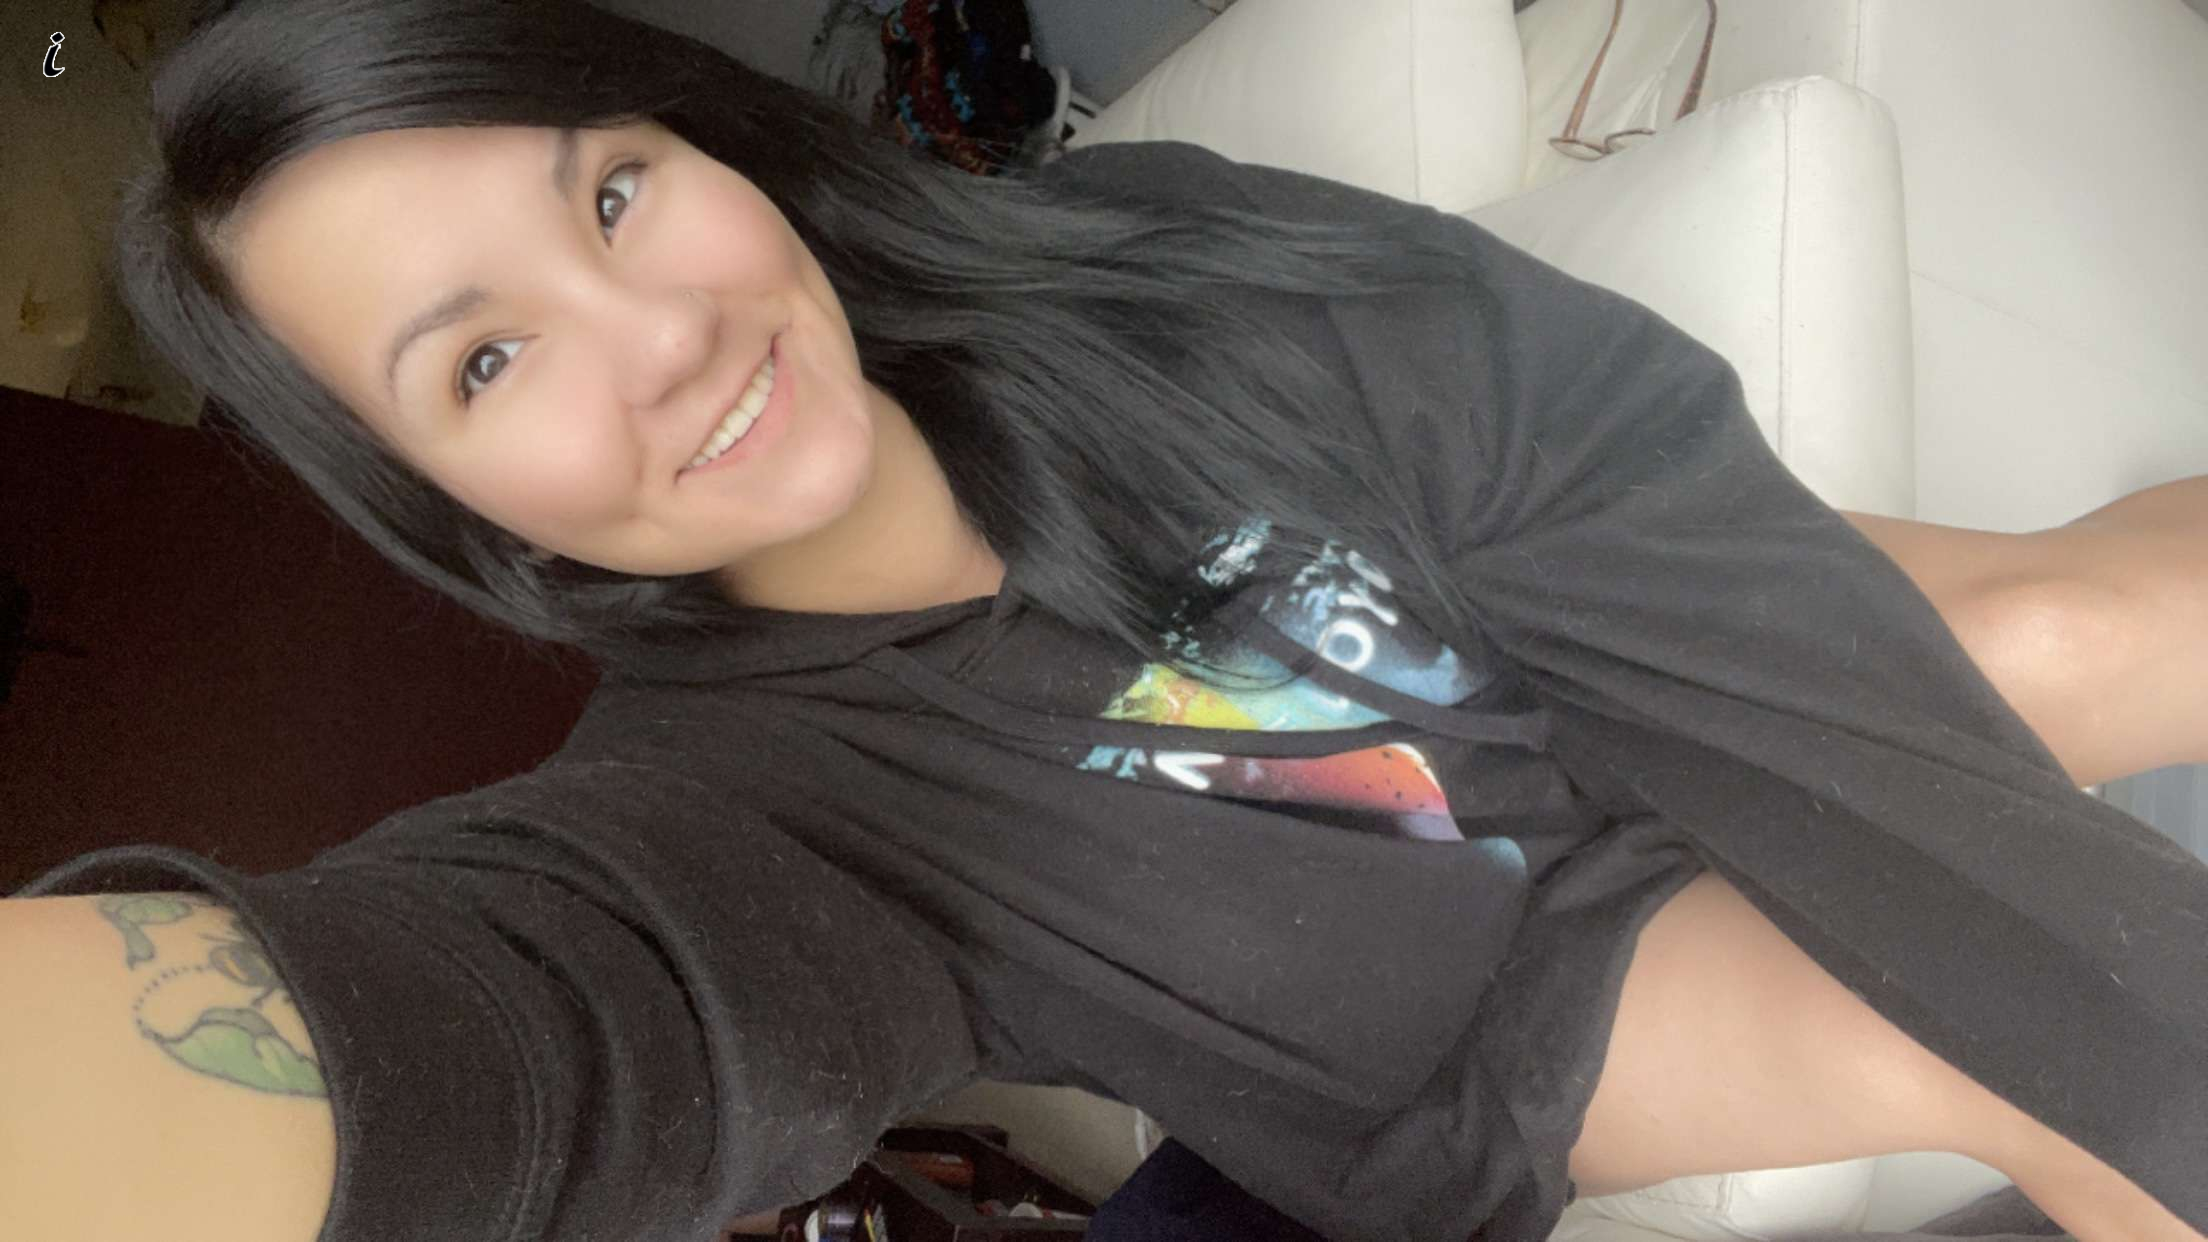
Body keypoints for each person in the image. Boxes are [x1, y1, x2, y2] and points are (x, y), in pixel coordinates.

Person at [4, 1, 2205, 1240]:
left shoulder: (1115, 259)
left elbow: (1611, 469)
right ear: (436, 498)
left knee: (2067, 631)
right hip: (1517, 988)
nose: (659, 333)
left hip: (1572, 635)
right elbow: (509, 1023)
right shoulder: (735, 821)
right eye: (486, 361)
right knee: (1996, 1032)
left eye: (613, 188)